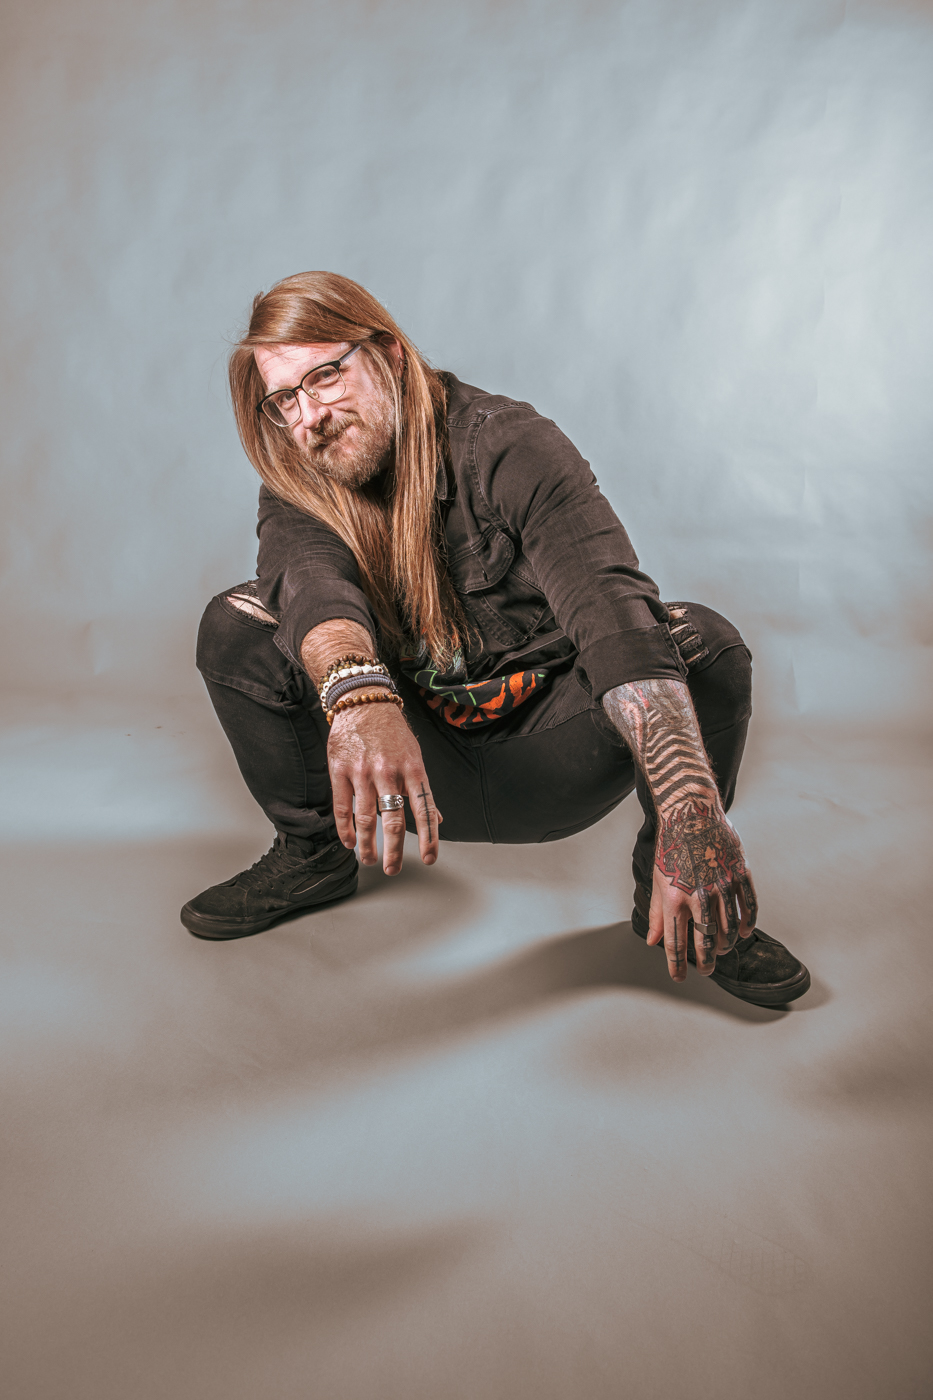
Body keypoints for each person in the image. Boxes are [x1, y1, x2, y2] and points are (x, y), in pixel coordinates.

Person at [183, 271, 809, 1008]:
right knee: (237, 622)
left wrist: (688, 811)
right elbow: (310, 586)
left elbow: (611, 613)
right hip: (406, 766)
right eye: (284, 399)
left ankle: (681, 893)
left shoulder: (507, 443)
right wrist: (359, 697)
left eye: (324, 376)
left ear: (387, 354)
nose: (309, 416)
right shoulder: (302, 474)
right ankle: (314, 855)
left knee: (703, 641)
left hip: (552, 751)